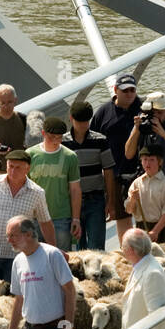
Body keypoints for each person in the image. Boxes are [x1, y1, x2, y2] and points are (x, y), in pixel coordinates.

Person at [0, 149, 55, 293]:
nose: (12, 171)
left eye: (18, 167)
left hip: (17, 256)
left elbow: (45, 223)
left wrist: (53, 251)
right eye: (10, 166)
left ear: (27, 168)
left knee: (14, 298)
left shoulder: (37, 193)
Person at [91, 73, 144, 243]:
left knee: (145, 216)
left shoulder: (143, 108)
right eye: (125, 90)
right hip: (115, 174)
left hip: (141, 173)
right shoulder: (104, 112)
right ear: (115, 90)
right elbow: (93, 139)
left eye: (132, 90)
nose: (129, 94)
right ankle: (127, 252)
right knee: (122, 217)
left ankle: (146, 252)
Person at [27, 118, 82, 251]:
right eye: (52, 137)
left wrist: (76, 219)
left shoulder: (70, 156)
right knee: (36, 257)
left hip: (61, 217)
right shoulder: (29, 155)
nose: (56, 141)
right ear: (43, 133)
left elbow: (75, 189)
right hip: (34, 217)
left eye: (59, 138)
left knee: (62, 257)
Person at [68, 102, 116, 251]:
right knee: (78, 248)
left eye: (86, 122)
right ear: (71, 119)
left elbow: (108, 172)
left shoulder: (100, 140)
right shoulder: (63, 143)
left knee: (97, 246)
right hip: (71, 202)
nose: (83, 125)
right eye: (79, 122)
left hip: (95, 200)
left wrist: (110, 202)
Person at [125, 91, 165, 195]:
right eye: (153, 113)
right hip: (145, 191)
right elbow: (128, 154)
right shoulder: (142, 126)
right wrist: (137, 130)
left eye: (160, 113)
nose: (156, 116)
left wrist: (163, 133)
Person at [125, 141, 165, 247]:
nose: (147, 163)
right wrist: (132, 200)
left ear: (159, 162)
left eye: (152, 160)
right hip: (142, 228)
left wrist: (155, 232)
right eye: (145, 160)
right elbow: (129, 210)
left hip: (163, 228)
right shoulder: (136, 183)